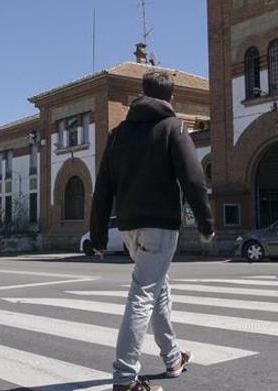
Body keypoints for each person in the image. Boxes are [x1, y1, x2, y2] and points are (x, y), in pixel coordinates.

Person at [90, 70, 215, 391]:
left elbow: (102, 186)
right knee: (143, 294)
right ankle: (124, 378)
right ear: (170, 98)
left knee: (159, 289)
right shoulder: (173, 127)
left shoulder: (119, 133)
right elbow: (194, 178)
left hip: (129, 227)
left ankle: (172, 357)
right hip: (159, 226)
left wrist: (99, 235)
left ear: (141, 95)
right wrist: (205, 222)